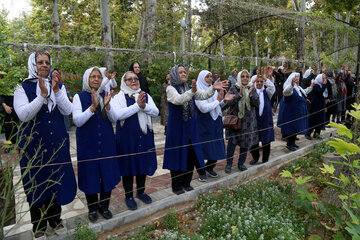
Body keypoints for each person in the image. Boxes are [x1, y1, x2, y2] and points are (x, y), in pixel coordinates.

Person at [14, 52, 76, 239]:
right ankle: (38, 226)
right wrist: (42, 95)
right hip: (34, 148)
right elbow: (23, 115)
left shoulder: (58, 85)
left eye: (47, 62)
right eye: (39, 62)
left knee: (55, 181)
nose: (44, 65)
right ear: (33, 64)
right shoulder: (21, 87)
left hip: (56, 144)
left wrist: (56, 91)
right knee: (36, 185)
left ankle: (55, 221)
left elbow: (68, 110)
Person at [163, 64, 227, 195]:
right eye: (180, 72)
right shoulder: (170, 89)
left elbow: (202, 95)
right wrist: (192, 91)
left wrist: (212, 89)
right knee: (177, 155)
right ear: (174, 74)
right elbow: (179, 99)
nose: (184, 74)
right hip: (177, 129)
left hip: (190, 127)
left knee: (190, 155)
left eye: (185, 72)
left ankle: (186, 183)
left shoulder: (189, 87)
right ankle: (177, 186)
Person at [72, 66, 120, 222]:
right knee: (90, 174)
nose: (96, 79)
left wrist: (107, 105)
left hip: (106, 142)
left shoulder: (105, 95)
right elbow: (77, 121)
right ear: (87, 79)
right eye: (93, 76)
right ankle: (92, 208)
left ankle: (104, 207)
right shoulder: (79, 97)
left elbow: (113, 119)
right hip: (88, 143)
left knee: (107, 173)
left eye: (99, 77)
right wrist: (92, 107)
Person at [108, 71, 158, 210]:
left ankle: (141, 192)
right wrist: (137, 106)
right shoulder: (118, 97)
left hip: (144, 136)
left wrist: (144, 106)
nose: (133, 81)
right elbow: (118, 115)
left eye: (135, 78)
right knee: (128, 167)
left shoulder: (145, 95)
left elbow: (155, 112)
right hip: (126, 139)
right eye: (129, 79)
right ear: (124, 82)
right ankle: (129, 196)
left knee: (142, 164)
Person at [195, 70, 231, 178]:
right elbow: (204, 108)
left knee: (216, 146)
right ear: (201, 78)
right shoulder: (198, 91)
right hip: (204, 123)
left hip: (215, 121)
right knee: (202, 148)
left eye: (210, 76)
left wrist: (223, 100)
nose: (210, 78)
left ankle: (209, 167)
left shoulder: (213, 89)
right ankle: (201, 172)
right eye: (207, 77)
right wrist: (218, 101)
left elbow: (216, 102)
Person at [223, 70, 259, 173]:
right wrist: (239, 95)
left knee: (245, 144)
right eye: (242, 76)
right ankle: (229, 164)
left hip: (248, 122)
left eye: (247, 76)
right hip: (235, 121)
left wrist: (251, 94)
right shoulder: (234, 88)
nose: (245, 78)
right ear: (239, 77)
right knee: (232, 144)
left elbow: (257, 104)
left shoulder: (252, 88)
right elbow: (227, 103)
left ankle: (241, 163)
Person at [277, 73, 314, 151]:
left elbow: (304, 92)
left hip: (297, 113)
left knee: (296, 128)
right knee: (291, 129)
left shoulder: (298, 88)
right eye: (295, 79)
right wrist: (291, 84)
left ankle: (293, 143)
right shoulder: (289, 88)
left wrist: (311, 87)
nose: (297, 80)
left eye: (298, 79)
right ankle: (289, 144)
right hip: (291, 113)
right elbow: (286, 92)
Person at [249, 74, 275, 164]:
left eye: (261, 81)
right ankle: (255, 158)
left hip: (265, 120)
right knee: (253, 141)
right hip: (254, 121)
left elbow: (272, 87)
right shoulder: (251, 92)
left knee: (266, 140)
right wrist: (253, 81)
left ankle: (265, 159)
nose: (259, 83)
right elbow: (246, 88)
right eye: (257, 81)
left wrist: (264, 78)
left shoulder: (267, 92)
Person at [306, 73, 327, 139]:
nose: (324, 80)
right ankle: (308, 133)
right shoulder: (316, 85)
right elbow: (320, 92)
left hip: (321, 105)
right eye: (323, 78)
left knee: (320, 120)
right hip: (315, 106)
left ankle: (317, 134)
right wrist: (324, 85)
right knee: (313, 120)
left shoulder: (321, 85)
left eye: (324, 78)